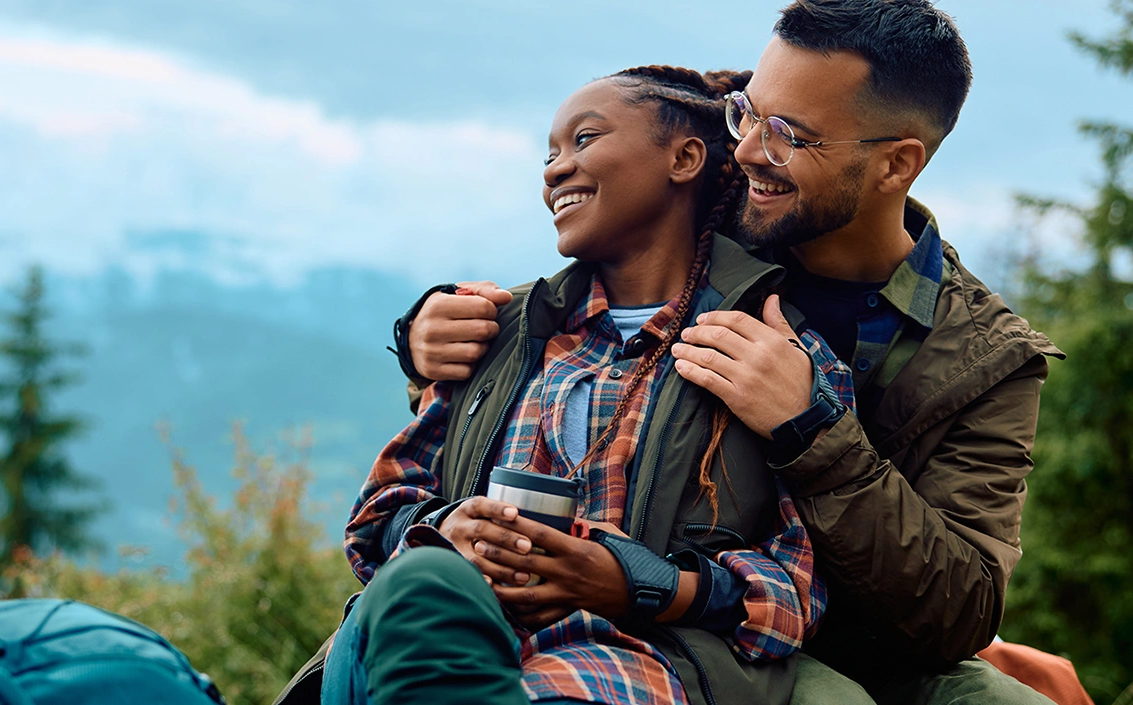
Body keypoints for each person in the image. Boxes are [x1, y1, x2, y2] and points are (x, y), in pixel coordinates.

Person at [391, 2, 1064, 704]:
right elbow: (580, 314)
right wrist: (430, 332)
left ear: (896, 164)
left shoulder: (987, 358)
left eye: (789, 137)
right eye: (747, 112)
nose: (745, 151)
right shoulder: (723, 208)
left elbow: (959, 611)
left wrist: (811, 431)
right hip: (681, 612)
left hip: (855, 636)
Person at [277, 66, 857, 705]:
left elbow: (794, 594)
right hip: (442, 635)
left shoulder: (772, 355)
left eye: (585, 139)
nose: (555, 170)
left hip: (620, 664)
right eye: (550, 153)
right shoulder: (499, 332)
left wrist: (636, 582)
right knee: (422, 589)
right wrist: (446, 529)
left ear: (685, 157)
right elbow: (378, 517)